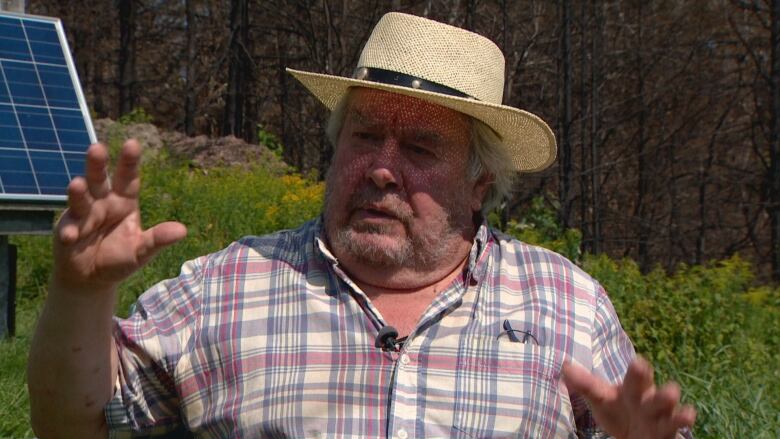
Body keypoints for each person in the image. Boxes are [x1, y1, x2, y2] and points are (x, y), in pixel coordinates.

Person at [28, 12, 696, 439]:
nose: (380, 168)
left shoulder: (566, 306)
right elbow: (73, 425)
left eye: (420, 149)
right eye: (365, 135)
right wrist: (80, 293)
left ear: (480, 182)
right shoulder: (224, 286)